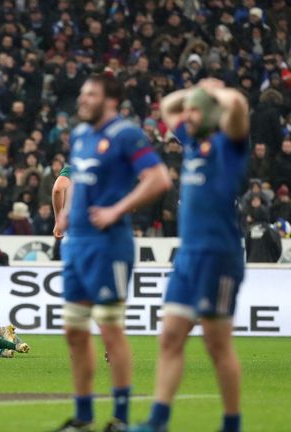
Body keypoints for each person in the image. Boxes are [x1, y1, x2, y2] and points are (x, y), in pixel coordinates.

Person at [130, 79, 250, 432]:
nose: (188, 114)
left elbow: (239, 107)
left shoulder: (231, 145)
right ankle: (158, 420)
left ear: (212, 113)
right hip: (188, 258)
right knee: (169, 336)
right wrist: (196, 91)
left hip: (219, 257)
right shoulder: (194, 144)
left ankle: (232, 423)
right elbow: (168, 106)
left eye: (196, 110)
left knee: (216, 343)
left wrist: (216, 93)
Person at [54, 75, 171, 432]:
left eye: (89, 94)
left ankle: (119, 418)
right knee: (74, 330)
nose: (82, 99)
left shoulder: (126, 134)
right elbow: (76, 184)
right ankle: (84, 417)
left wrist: (117, 211)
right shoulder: (81, 136)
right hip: (79, 245)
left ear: (110, 100)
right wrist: (64, 216)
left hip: (110, 245)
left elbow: (158, 179)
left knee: (109, 329)